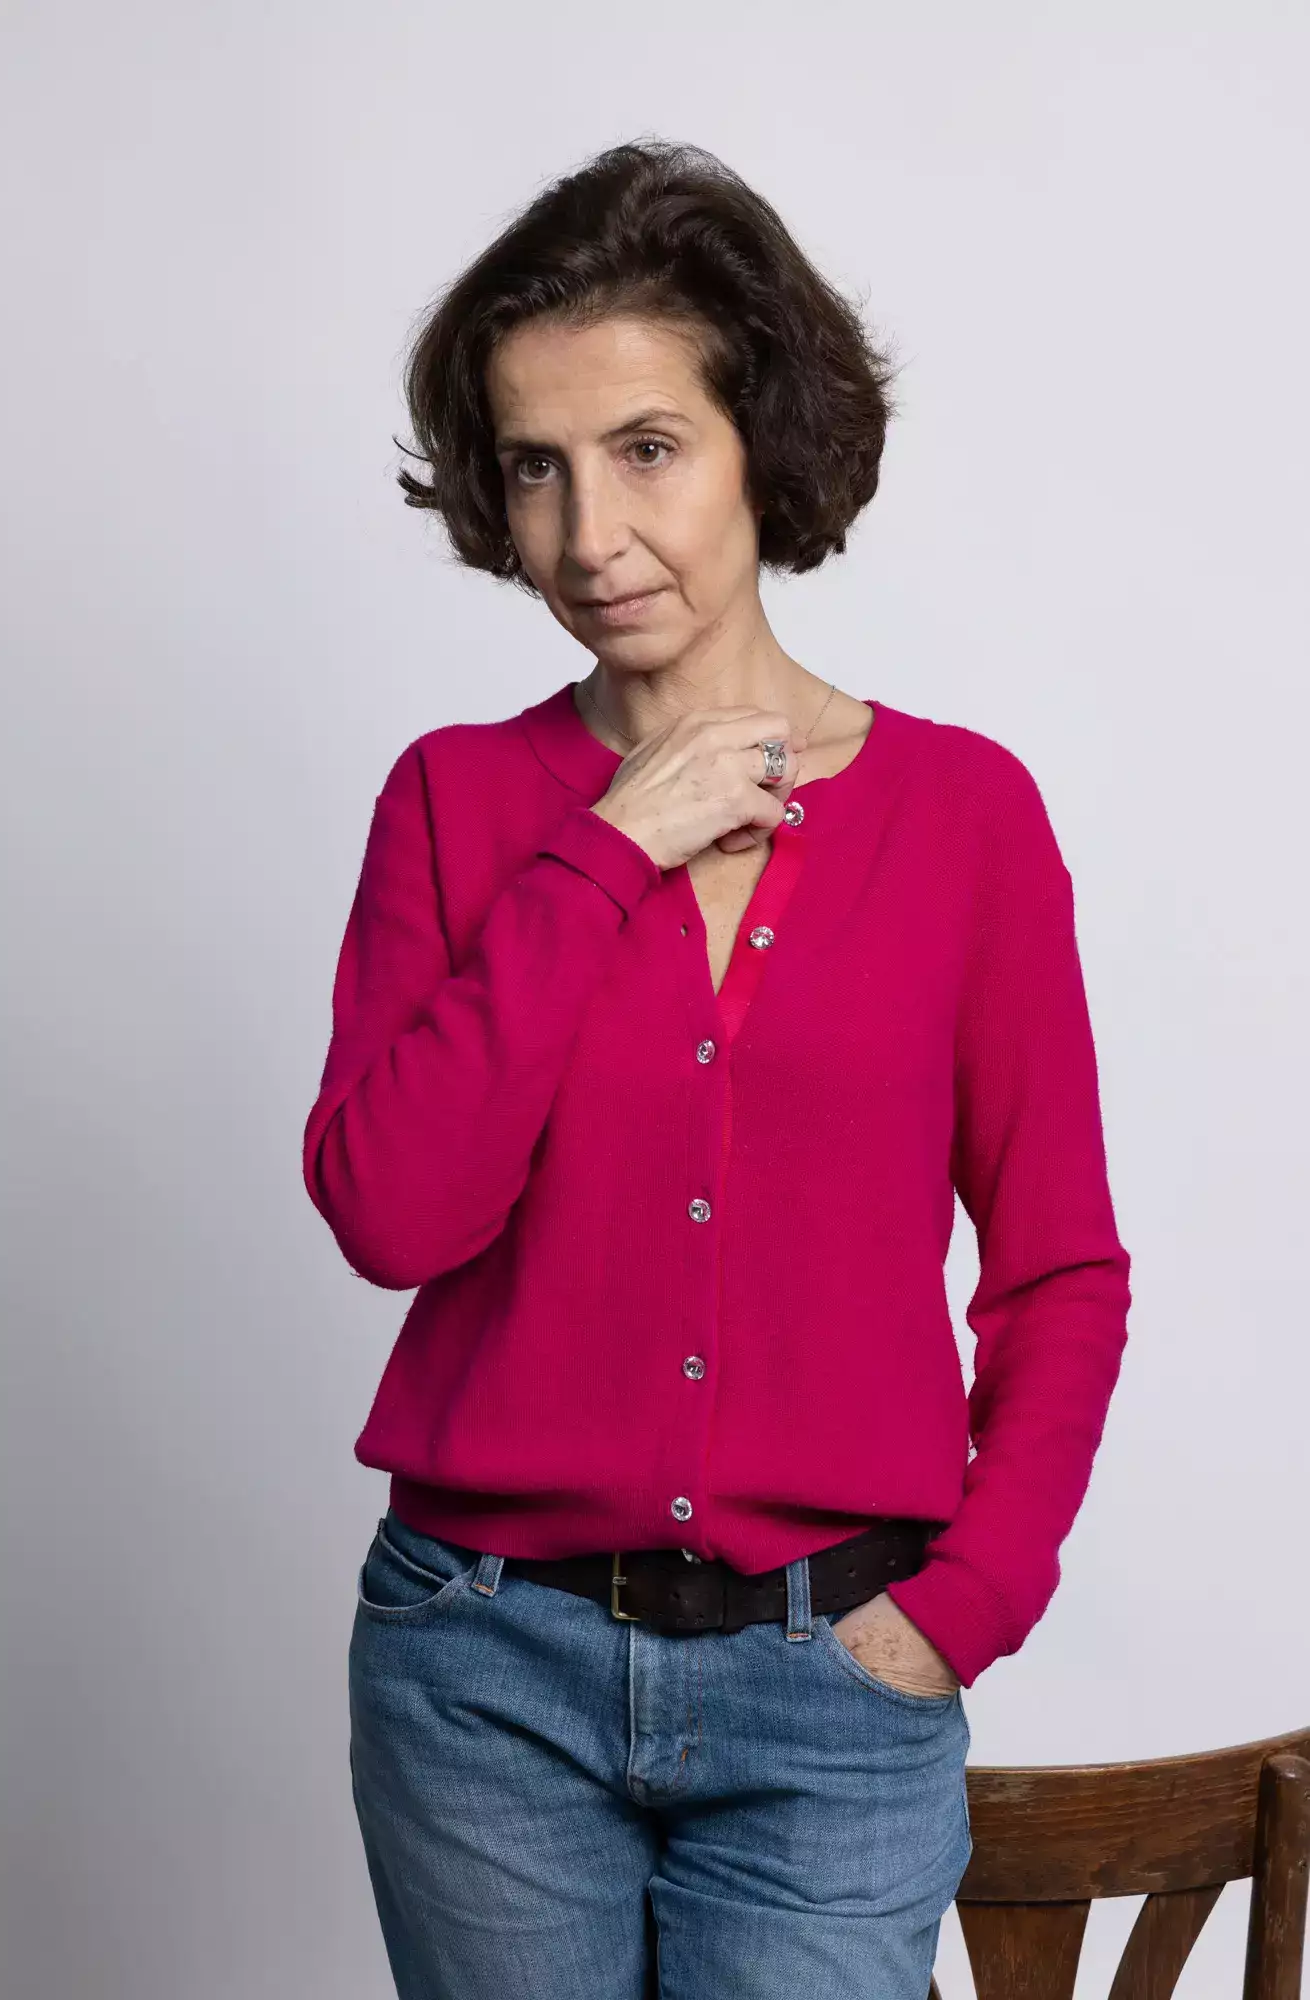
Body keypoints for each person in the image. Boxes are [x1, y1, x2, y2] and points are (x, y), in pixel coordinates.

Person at [302, 138, 1132, 2000]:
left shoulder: (963, 818)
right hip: (479, 1669)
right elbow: (389, 1208)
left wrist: (961, 1608)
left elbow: (1060, 1267)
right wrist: (606, 847)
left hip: (831, 1683)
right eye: (536, 466)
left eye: (647, 449)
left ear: (762, 433)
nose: (589, 536)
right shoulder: (457, 803)